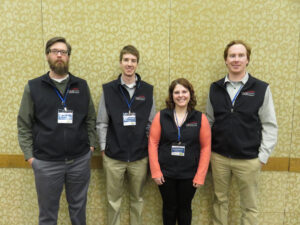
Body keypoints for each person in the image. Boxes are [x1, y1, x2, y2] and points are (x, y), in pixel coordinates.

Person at [17, 37, 97, 225]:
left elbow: (91, 118)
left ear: (69, 57)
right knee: (47, 215)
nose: (59, 55)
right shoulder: (33, 87)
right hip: (46, 163)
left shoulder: (81, 86)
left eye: (64, 52)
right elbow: (23, 125)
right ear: (47, 56)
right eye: (55, 51)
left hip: (79, 161)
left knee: (78, 212)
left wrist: (91, 147)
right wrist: (31, 157)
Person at [206, 40, 278, 225]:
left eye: (240, 55)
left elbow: (270, 125)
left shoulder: (261, 88)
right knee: (219, 201)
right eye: (232, 56)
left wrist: (262, 157)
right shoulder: (215, 88)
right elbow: (209, 121)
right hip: (219, 157)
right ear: (226, 60)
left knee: (249, 206)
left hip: (248, 159)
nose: (236, 59)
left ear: (247, 60)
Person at [96, 45, 155, 225]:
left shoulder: (147, 90)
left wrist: (145, 146)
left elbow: (151, 123)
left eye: (133, 61)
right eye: (126, 60)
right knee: (114, 201)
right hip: (114, 157)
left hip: (139, 157)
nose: (130, 64)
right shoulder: (108, 90)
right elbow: (102, 123)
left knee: (137, 199)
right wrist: (104, 148)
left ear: (137, 64)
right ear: (120, 63)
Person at [148, 78, 211, 225]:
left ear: (190, 94)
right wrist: (156, 171)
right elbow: (152, 143)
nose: (181, 95)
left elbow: (206, 147)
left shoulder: (200, 118)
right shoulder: (161, 116)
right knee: (169, 208)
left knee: (185, 209)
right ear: (171, 96)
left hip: (189, 174)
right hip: (165, 173)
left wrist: (200, 175)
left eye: (184, 91)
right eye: (176, 92)